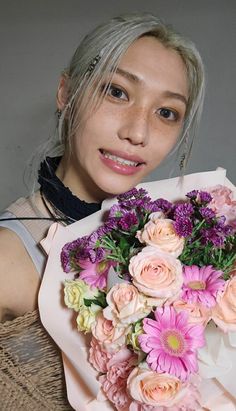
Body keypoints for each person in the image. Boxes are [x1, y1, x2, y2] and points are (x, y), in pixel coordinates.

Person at [0, 12, 205, 410]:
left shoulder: (177, 249)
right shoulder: (7, 257)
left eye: (166, 113)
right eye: (117, 91)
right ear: (66, 92)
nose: (138, 133)